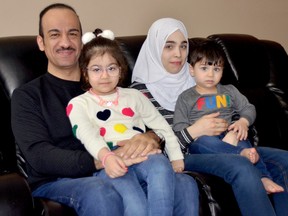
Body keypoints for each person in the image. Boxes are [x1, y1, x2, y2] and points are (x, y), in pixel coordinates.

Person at [11, 3, 198, 216]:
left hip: (124, 167)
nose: (65, 42)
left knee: (184, 183)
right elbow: (39, 156)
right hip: (59, 180)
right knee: (100, 190)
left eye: (72, 33)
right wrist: (106, 158)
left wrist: (151, 138)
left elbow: (147, 125)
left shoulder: (111, 86)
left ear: (82, 40)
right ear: (41, 42)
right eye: (55, 35)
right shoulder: (27, 96)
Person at [131, 17, 288, 216]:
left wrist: (239, 125)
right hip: (186, 155)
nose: (178, 54)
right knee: (241, 165)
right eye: (168, 46)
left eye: (183, 46)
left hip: (231, 144)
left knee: (285, 160)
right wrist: (195, 130)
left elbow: (238, 108)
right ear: (154, 47)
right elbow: (153, 148)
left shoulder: (199, 75)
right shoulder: (138, 93)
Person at [66, 28, 185, 215]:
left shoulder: (135, 96)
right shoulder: (79, 104)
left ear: (120, 70)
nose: (105, 75)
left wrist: (176, 157)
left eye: (111, 68)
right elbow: (87, 134)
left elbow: (161, 125)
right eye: (96, 69)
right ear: (85, 73)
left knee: (161, 167)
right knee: (135, 202)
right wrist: (107, 157)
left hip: (143, 153)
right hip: (111, 158)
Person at [173, 39, 284, 194]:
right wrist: (196, 131)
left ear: (223, 70)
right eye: (204, 68)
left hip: (230, 133)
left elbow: (248, 108)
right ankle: (240, 154)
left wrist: (243, 122)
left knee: (243, 138)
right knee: (203, 142)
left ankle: (263, 177)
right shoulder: (185, 98)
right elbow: (179, 127)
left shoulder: (229, 91)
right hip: (203, 140)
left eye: (217, 69)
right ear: (192, 70)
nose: (210, 74)